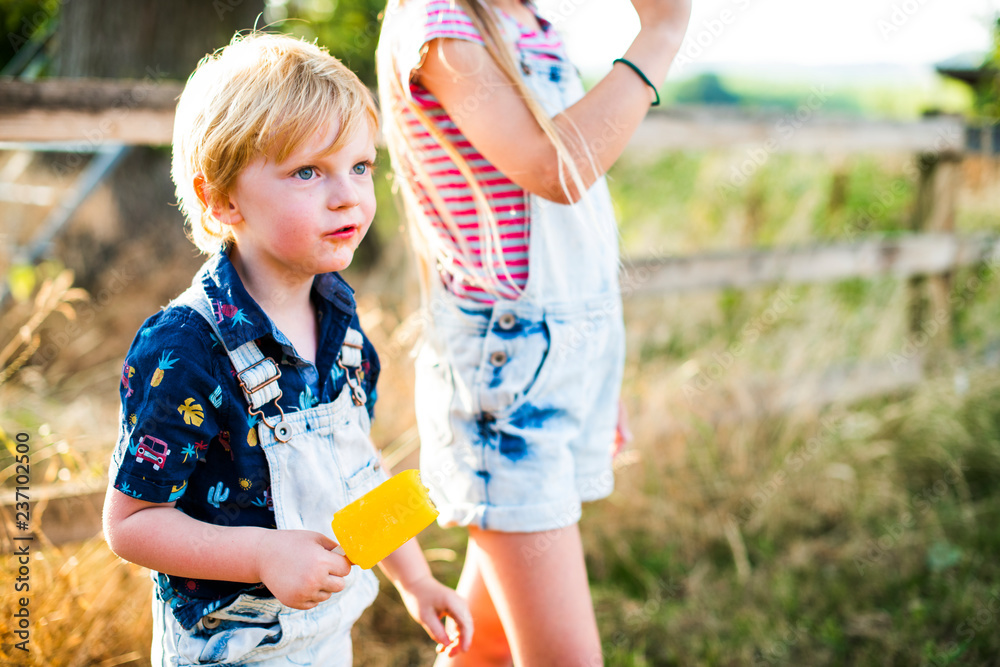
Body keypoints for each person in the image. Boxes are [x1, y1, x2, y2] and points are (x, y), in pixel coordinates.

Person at [102, 32, 472, 666]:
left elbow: (352, 469)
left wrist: (415, 581)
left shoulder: (342, 326)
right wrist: (263, 555)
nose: (348, 194)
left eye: (360, 166)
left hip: (328, 637)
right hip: (229, 649)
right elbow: (130, 524)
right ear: (221, 200)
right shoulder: (186, 348)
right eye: (308, 171)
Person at [376, 0, 691, 664]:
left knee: (483, 645)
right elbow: (555, 168)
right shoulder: (441, 20)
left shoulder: (529, 22)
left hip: (557, 361)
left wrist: (594, 373)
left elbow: (575, 237)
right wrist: (661, 33)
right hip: (508, 376)